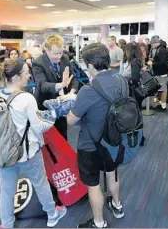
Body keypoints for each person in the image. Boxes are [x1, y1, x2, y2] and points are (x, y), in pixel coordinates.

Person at [0, 59, 67, 228]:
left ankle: (7, 224)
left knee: (7, 190)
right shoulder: (26, 98)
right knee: (41, 184)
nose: (29, 75)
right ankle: (52, 215)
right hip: (28, 152)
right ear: (17, 77)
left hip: (4, 153)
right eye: (26, 72)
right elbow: (38, 127)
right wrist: (53, 116)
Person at [65, 43, 128, 228]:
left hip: (90, 145)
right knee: (112, 173)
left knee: (93, 185)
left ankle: (99, 222)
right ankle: (117, 205)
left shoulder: (88, 91)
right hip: (115, 140)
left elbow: (70, 120)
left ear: (91, 65)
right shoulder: (122, 80)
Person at [32, 34, 79, 139]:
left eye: (60, 53)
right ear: (46, 50)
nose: (58, 56)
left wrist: (71, 93)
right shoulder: (38, 63)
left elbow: (73, 79)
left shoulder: (65, 58)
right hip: (45, 106)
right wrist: (61, 85)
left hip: (62, 105)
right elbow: (42, 85)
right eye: (55, 53)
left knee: (63, 136)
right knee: (49, 139)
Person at [148, 35, 168, 111]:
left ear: (157, 43)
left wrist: (153, 63)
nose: (151, 45)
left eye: (152, 44)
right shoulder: (158, 49)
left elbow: (163, 62)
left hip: (162, 73)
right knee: (160, 90)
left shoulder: (162, 50)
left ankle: (163, 106)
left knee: (163, 90)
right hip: (159, 73)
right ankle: (160, 104)